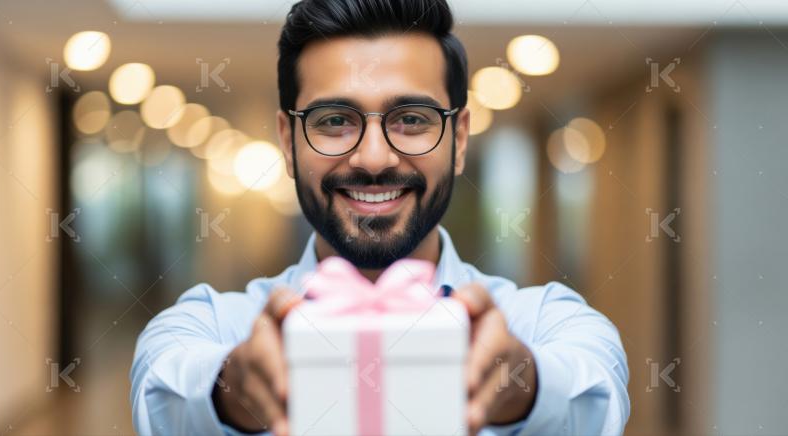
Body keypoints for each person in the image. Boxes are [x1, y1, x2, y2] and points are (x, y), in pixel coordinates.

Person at [129, 0, 630, 434]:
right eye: (334, 121)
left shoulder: (544, 323)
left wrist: (523, 385)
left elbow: (594, 398)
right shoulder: (213, 326)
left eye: (412, 119)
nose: (373, 159)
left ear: (458, 140)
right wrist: (234, 388)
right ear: (288, 142)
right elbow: (162, 395)